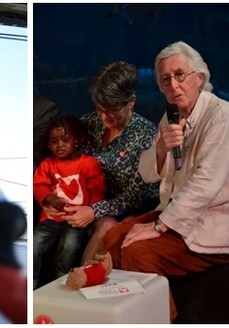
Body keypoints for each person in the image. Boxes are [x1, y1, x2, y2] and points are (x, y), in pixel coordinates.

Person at [103, 41, 229, 320]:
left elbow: (206, 185)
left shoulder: (222, 115)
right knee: (114, 236)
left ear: (199, 78)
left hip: (211, 222)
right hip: (176, 215)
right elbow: (147, 173)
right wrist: (161, 148)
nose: (173, 85)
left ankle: (164, 319)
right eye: (165, 79)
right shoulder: (171, 117)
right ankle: (125, 317)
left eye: (180, 75)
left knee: (137, 251)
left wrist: (158, 226)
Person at [61, 61, 159, 265]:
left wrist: (94, 211)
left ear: (131, 102)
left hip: (132, 209)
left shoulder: (146, 135)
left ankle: (85, 284)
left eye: (112, 111)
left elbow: (134, 198)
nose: (104, 117)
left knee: (109, 226)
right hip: (86, 203)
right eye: (99, 109)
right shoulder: (88, 124)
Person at [33, 116, 106, 288]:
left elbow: (98, 191)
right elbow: (38, 185)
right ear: (48, 144)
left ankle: (63, 282)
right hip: (51, 219)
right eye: (54, 141)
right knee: (35, 246)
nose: (60, 145)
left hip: (74, 221)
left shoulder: (89, 163)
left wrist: (90, 214)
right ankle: (32, 284)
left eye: (65, 140)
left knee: (70, 249)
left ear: (77, 140)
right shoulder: (47, 164)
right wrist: (49, 198)